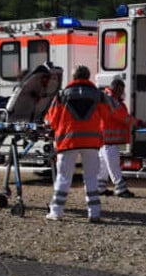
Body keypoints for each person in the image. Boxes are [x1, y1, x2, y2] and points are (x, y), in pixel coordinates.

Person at [45, 66, 110, 223]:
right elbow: (107, 115)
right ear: (88, 77)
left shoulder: (62, 95)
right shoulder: (99, 95)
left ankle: (56, 211)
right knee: (91, 178)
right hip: (91, 142)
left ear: (73, 77)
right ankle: (94, 213)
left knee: (64, 177)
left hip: (68, 142)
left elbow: (52, 120)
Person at [98, 78, 135, 198]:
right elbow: (121, 116)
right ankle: (121, 188)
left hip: (105, 140)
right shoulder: (111, 100)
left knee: (103, 165)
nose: (122, 93)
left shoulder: (108, 98)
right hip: (110, 140)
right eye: (121, 90)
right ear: (116, 89)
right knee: (113, 165)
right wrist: (137, 122)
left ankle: (99, 187)